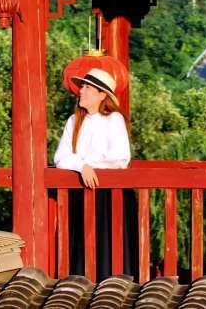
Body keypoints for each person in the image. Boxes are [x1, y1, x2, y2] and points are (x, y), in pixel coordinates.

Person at [53, 67, 137, 280]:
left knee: (111, 244)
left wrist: (88, 165)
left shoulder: (114, 120)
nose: (81, 91)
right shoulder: (74, 121)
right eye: (82, 86)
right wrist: (82, 167)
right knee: (83, 244)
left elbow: (120, 159)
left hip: (110, 194)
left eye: (87, 87)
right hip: (81, 192)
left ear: (102, 95)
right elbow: (60, 157)